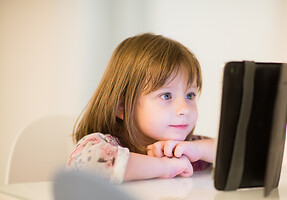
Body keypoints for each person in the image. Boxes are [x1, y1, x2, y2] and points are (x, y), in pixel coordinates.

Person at [68, 33, 215, 183]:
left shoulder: (187, 150)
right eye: (166, 96)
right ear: (122, 107)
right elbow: (85, 165)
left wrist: (198, 150)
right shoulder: (108, 144)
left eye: (189, 95)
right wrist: (166, 167)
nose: (184, 109)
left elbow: (235, 152)